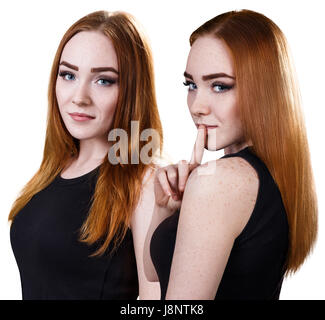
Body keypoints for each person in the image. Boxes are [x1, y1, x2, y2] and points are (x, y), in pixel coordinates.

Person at [144, 9, 318, 300]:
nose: (197, 105)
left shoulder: (220, 182)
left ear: (263, 91)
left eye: (220, 86)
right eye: (191, 85)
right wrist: (167, 208)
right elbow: (154, 274)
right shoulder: (273, 178)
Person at [8, 10, 162, 300]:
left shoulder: (145, 183)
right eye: (68, 75)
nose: (79, 96)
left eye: (103, 80)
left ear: (132, 90)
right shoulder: (54, 169)